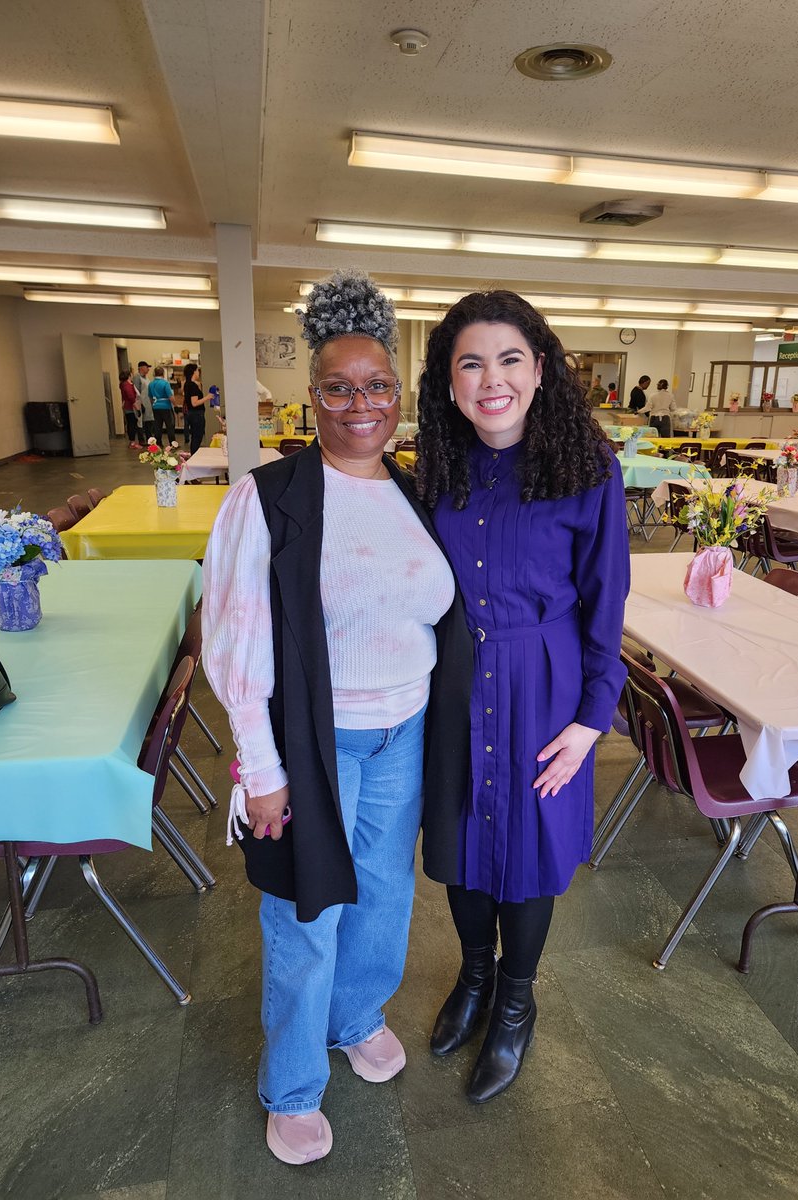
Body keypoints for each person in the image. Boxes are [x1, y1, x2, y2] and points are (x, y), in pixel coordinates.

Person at [202, 271, 467, 1167]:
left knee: (387, 896)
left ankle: (357, 1016)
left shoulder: (417, 492)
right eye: (339, 388)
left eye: (378, 386)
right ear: (310, 396)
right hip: (315, 745)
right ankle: (292, 1085)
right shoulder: (267, 497)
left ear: (400, 393)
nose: (362, 404)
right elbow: (234, 642)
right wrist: (261, 769)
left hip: (407, 733)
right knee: (305, 913)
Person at [415, 290, 630, 1103]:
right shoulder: (438, 468)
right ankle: (474, 977)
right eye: (470, 362)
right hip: (456, 681)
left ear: (541, 370)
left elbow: (605, 602)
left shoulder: (586, 471)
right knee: (464, 842)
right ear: (449, 381)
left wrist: (590, 723)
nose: (491, 379)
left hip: (546, 684)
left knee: (530, 850)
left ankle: (515, 1001)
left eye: (509, 359)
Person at [148, 367, 176, 447]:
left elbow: (150, 397)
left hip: (156, 407)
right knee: (170, 426)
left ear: (154, 373)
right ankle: (172, 444)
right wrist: (175, 405)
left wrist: (153, 405)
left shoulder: (151, 384)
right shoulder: (165, 383)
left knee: (158, 426)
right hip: (166, 406)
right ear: (163, 373)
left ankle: (158, 443)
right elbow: (170, 396)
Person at [183, 363, 206, 453]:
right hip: (197, 415)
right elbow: (194, 403)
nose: (198, 373)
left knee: (195, 437)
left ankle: (193, 455)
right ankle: (194, 456)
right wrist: (207, 397)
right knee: (197, 437)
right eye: (197, 370)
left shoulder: (187, 384)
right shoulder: (192, 385)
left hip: (191, 414)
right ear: (193, 372)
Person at [131, 360, 154, 446]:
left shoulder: (146, 378)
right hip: (141, 404)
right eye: (147, 367)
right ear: (141, 368)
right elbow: (136, 392)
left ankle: (149, 439)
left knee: (149, 421)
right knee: (140, 422)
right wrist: (140, 404)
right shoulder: (137, 377)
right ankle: (142, 440)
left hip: (148, 403)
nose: (148, 369)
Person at [119, 370, 140, 448]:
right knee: (132, 424)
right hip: (130, 407)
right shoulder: (127, 385)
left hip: (127, 406)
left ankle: (132, 442)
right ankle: (132, 442)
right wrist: (137, 408)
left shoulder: (123, 384)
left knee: (130, 424)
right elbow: (131, 397)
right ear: (128, 376)